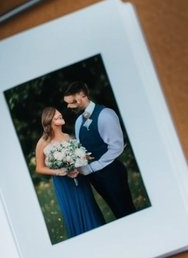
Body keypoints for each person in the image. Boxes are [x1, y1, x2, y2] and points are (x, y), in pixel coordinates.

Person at [62, 81, 136, 218]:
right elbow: (81, 147)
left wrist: (92, 167)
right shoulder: (79, 121)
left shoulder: (105, 114)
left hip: (111, 173)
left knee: (126, 211)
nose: (68, 106)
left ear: (81, 96)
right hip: (95, 177)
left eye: (71, 102)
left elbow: (116, 147)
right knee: (117, 213)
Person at [35, 107, 105, 238]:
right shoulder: (43, 142)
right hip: (63, 182)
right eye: (57, 116)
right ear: (49, 120)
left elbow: (79, 157)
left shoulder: (69, 136)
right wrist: (59, 171)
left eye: (60, 115)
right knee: (72, 212)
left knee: (89, 206)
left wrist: (81, 161)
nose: (60, 116)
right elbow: (39, 167)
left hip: (80, 178)